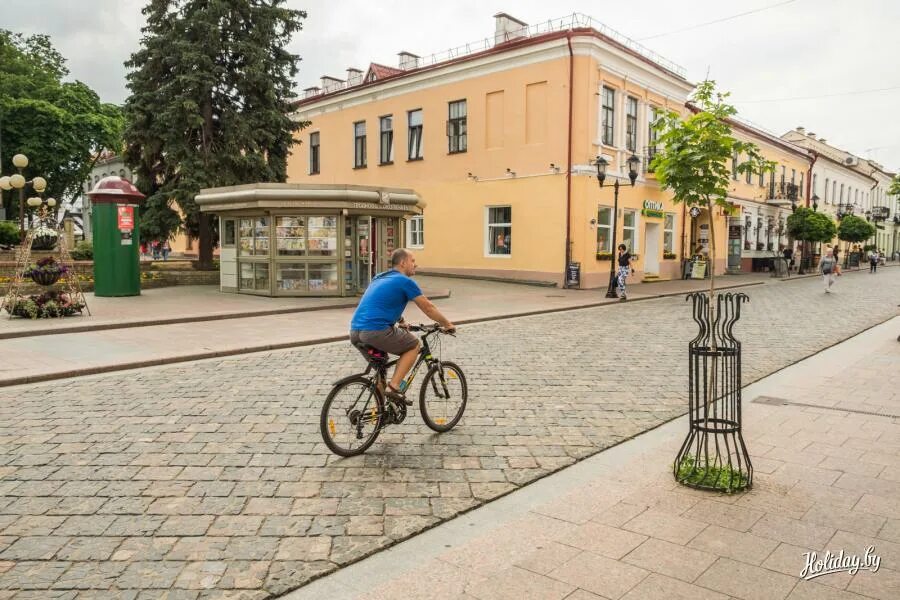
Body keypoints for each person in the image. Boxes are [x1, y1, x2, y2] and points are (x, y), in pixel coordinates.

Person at [349, 248, 455, 405]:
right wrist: (447, 324)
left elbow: (382, 302)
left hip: (356, 332)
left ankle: (380, 412)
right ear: (403, 263)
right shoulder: (406, 281)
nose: (415, 264)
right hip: (376, 331)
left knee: (380, 370)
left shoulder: (380, 277)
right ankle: (394, 386)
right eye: (413, 261)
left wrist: (401, 321)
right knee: (413, 345)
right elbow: (428, 307)